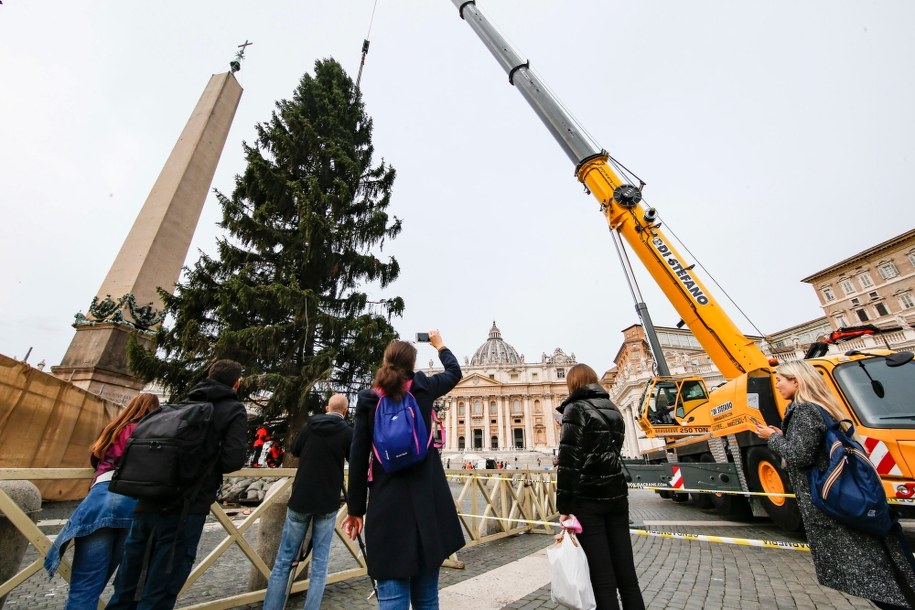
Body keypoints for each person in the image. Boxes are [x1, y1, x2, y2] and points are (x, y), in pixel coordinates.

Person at [755, 360, 915, 610]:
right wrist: (784, 436)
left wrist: (772, 438)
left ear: (796, 381)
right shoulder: (818, 408)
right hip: (839, 499)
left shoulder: (805, 410)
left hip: (830, 503)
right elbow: (811, 449)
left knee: (871, 576)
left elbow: (799, 456)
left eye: (780, 380)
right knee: (877, 573)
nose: (776, 385)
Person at [106, 359, 248, 610]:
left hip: (147, 500)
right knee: (162, 585)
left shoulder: (178, 405)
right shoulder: (232, 409)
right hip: (186, 505)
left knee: (128, 581)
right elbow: (231, 459)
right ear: (236, 383)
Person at [343, 331, 463, 610]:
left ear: (386, 362)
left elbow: (358, 458)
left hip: (387, 506)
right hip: (427, 505)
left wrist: (355, 510)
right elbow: (455, 372)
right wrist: (440, 345)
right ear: (412, 365)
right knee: (427, 599)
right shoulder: (423, 387)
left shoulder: (368, 400)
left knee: (393, 600)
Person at [44, 393, 160, 610]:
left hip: (101, 499)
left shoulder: (113, 428)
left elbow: (96, 458)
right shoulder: (153, 433)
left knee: (86, 584)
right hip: (134, 505)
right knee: (117, 576)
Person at [556, 363, 645, 610]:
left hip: (590, 500)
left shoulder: (575, 409)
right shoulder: (614, 409)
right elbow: (607, 449)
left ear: (572, 384)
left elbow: (569, 464)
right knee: (627, 576)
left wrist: (565, 508)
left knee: (602, 580)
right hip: (617, 497)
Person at [263, 394, 353, 610]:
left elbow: (295, 449)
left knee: (284, 560)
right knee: (320, 563)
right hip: (328, 500)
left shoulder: (310, 425)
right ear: (345, 411)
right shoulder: (348, 432)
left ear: (326, 408)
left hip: (301, 497)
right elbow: (353, 459)